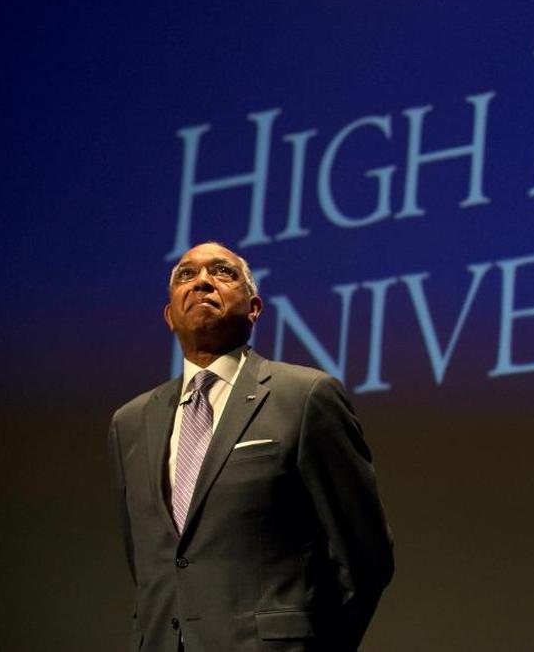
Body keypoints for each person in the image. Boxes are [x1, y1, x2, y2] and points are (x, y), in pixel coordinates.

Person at [108, 242, 393, 651]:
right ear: (170, 315)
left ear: (254, 308)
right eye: (186, 276)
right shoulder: (130, 422)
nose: (202, 281)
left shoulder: (305, 396)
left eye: (222, 272)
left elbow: (365, 555)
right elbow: (150, 562)